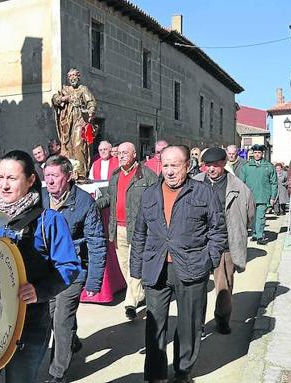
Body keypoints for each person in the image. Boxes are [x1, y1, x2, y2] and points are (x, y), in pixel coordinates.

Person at [0, 150, 82, 383]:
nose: (4, 185)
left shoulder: (49, 220)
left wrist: (39, 290)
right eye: (1, 177)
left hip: (30, 323)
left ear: (31, 180)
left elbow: (70, 266)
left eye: (12, 178)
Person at [130, 145, 227, 383]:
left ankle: (183, 371)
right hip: (156, 268)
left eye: (175, 165)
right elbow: (139, 234)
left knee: (189, 324)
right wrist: (136, 270)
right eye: (165, 165)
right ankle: (155, 375)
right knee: (155, 326)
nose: (170, 171)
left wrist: (208, 261)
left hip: (192, 268)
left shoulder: (203, 193)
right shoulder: (150, 194)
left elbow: (218, 231)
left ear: (187, 166)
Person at [42, 155, 106, 383]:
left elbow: (96, 241)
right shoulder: (40, 199)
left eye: (55, 176)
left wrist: (94, 280)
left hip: (73, 270)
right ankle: (73, 340)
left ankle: (57, 373)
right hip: (47, 271)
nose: (49, 181)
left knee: (61, 320)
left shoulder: (84, 203)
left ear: (68, 177)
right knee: (50, 316)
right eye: (46, 175)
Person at [194, 147, 255, 334]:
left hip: (225, 243)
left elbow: (249, 214)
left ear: (223, 164)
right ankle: (197, 324)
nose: (211, 169)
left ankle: (222, 319)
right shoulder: (194, 183)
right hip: (198, 243)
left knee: (224, 286)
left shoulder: (238, 187)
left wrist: (236, 231)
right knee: (196, 287)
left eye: (215, 165)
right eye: (208, 165)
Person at [97, 142, 157, 320]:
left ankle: (130, 302)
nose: (121, 156)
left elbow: (156, 199)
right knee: (125, 266)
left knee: (134, 265)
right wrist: (94, 206)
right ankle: (139, 293)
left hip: (137, 230)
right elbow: (109, 197)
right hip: (118, 228)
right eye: (119, 153)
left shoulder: (146, 175)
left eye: (125, 153)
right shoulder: (115, 175)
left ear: (134, 154)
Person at [52, 68, 97, 180]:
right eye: (70, 76)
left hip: (79, 119)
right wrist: (64, 98)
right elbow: (55, 99)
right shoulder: (64, 89)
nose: (72, 78)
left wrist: (90, 113)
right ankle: (69, 172)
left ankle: (80, 173)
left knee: (78, 144)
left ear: (79, 76)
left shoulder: (83, 89)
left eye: (74, 75)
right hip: (66, 121)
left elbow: (91, 102)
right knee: (67, 147)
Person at [239, 144, 277, 245]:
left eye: (259, 153)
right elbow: (241, 183)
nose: (257, 155)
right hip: (250, 197)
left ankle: (260, 236)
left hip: (263, 196)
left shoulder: (269, 166)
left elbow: (274, 183)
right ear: (252, 154)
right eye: (255, 153)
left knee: (260, 217)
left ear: (262, 153)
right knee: (252, 217)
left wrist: (273, 197)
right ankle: (255, 234)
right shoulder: (246, 167)